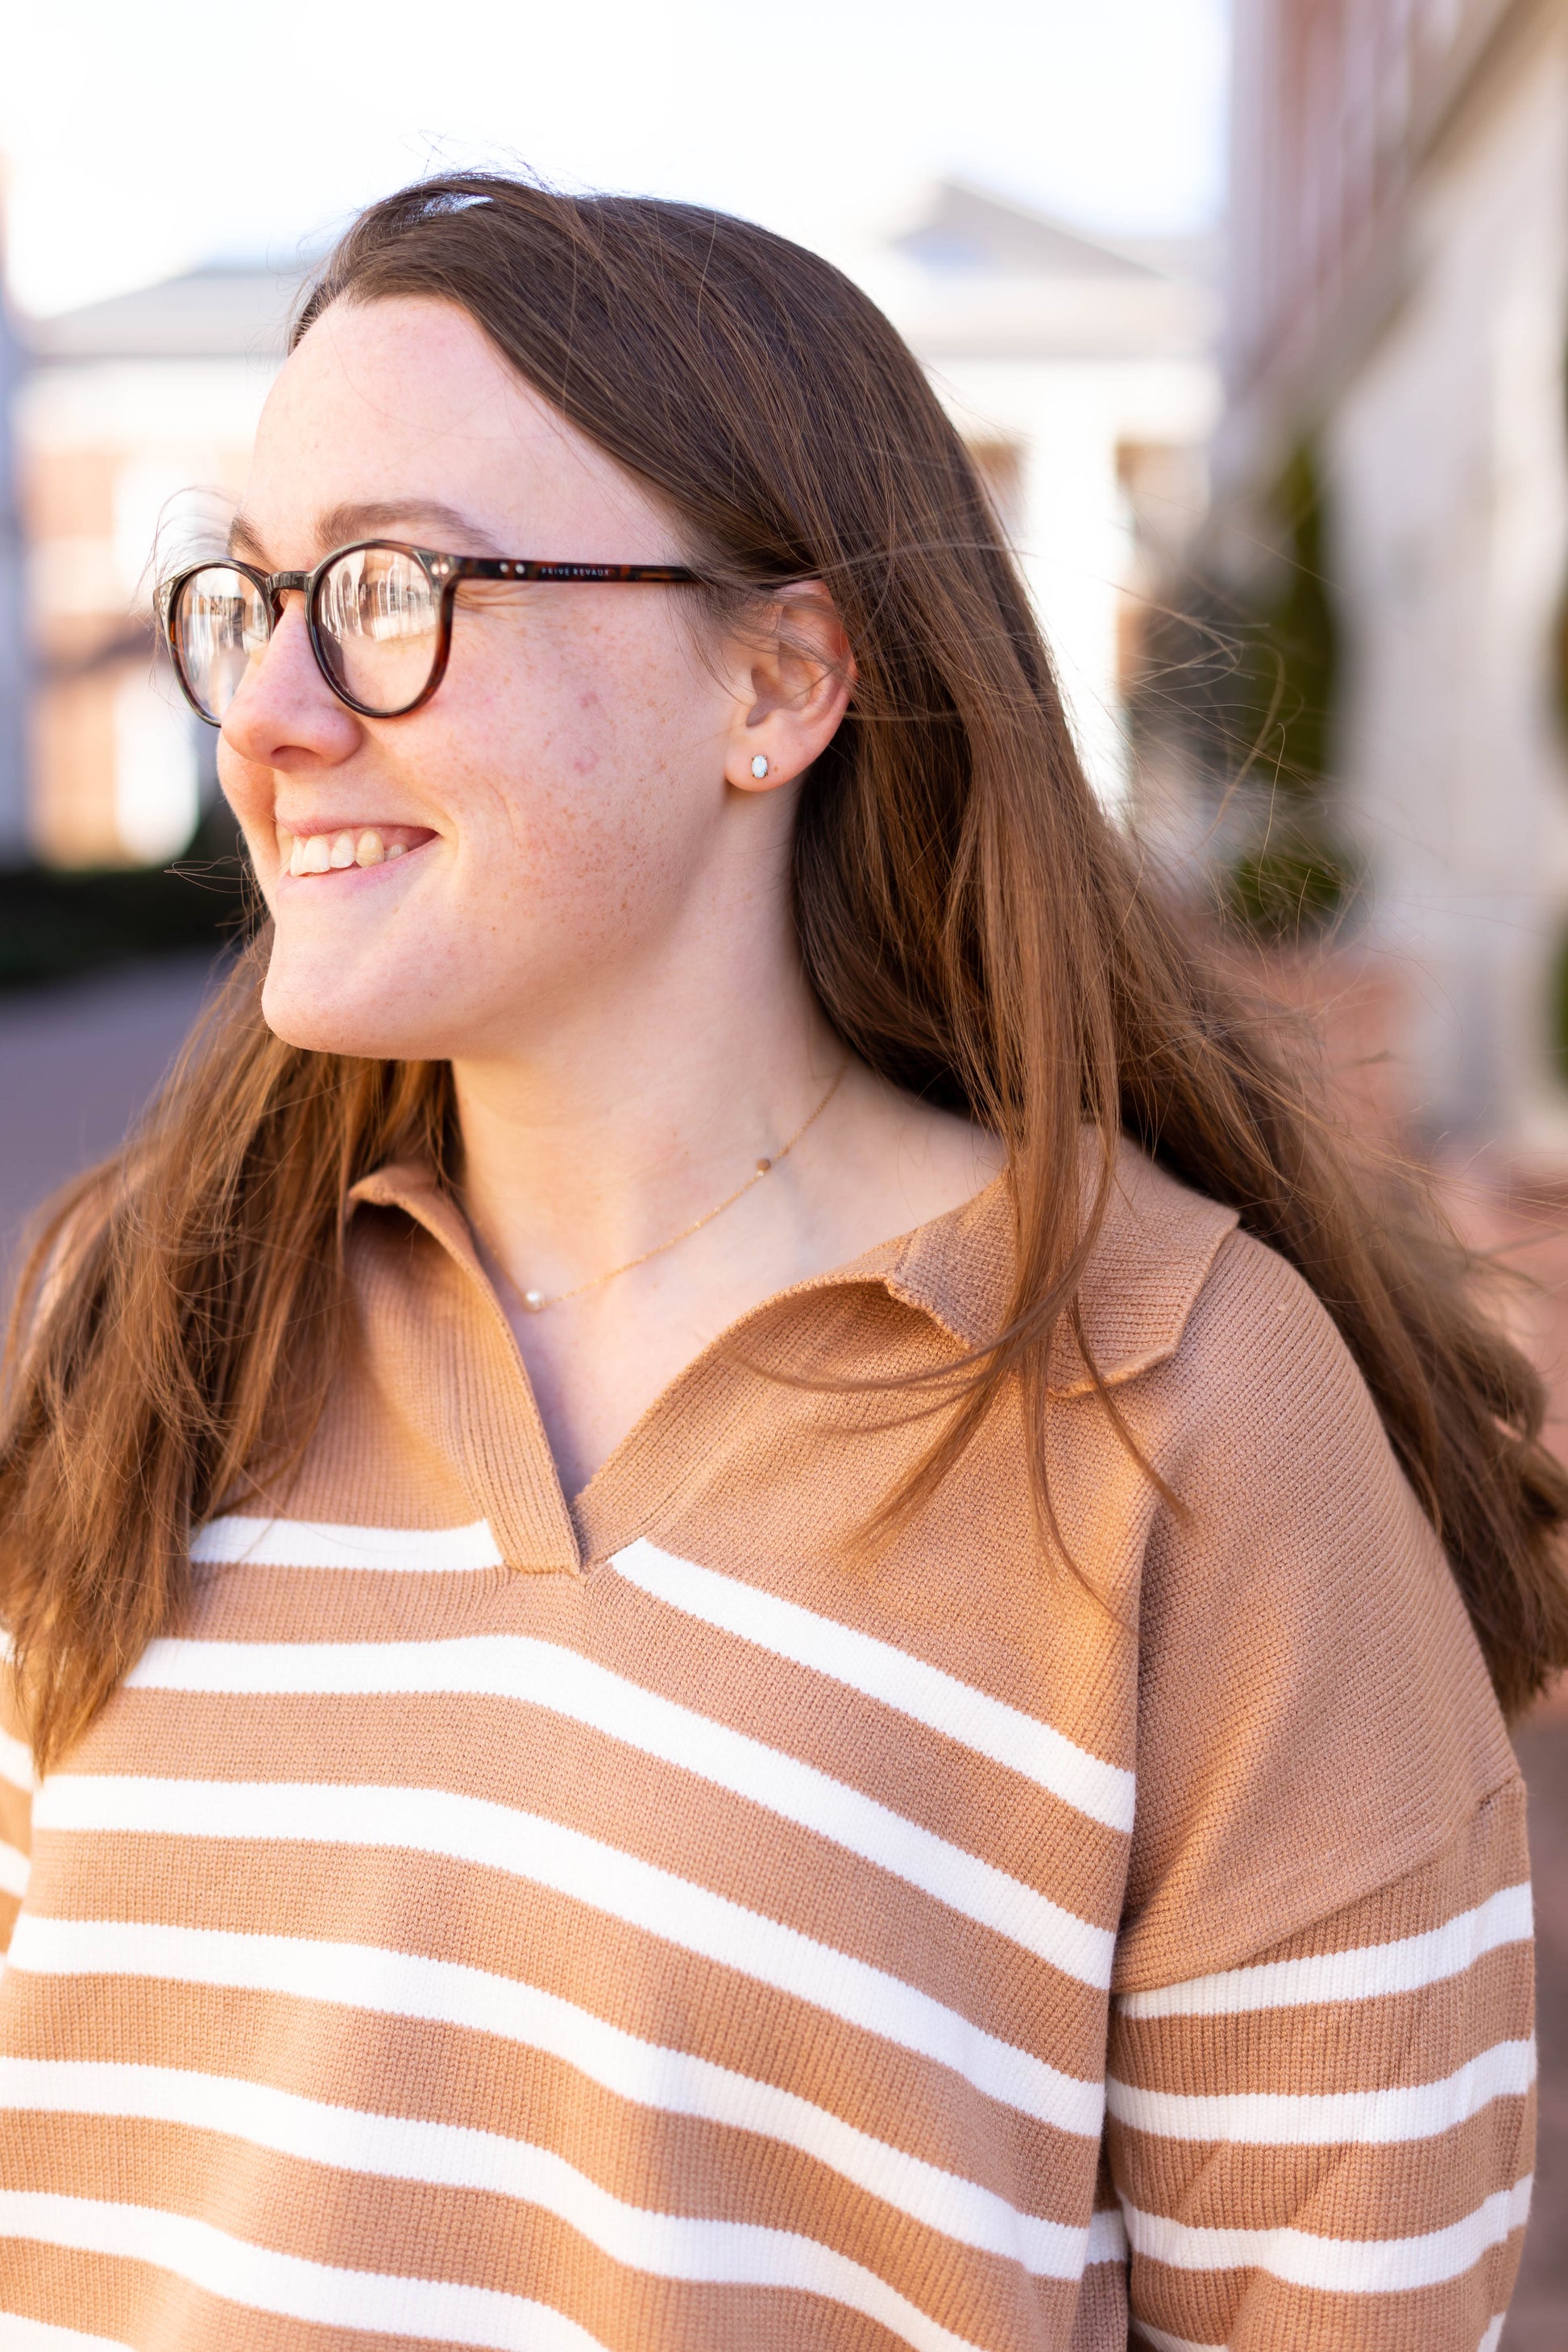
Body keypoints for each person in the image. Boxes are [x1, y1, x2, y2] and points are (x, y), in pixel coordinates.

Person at [0, 175, 1560, 2352]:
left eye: (387, 586)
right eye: (248, 595)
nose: (265, 713)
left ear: (784, 677)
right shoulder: (134, 1313)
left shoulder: (1178, 1400)